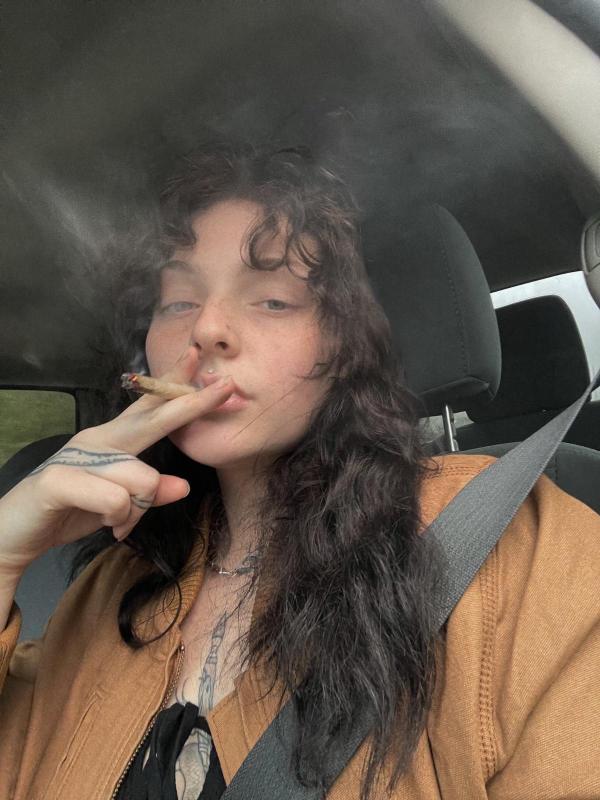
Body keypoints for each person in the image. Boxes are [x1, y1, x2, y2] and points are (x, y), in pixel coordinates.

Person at [0, 143, 598, 800]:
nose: (207, 328)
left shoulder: (525, 555)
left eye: (273, 301)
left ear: (349, 344)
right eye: (177, 302)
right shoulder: (110, 585)